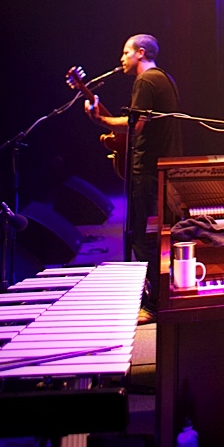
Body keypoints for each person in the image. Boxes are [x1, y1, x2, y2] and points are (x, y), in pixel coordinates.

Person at [86, 34, 181, 322]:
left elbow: (136, 125)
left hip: (147, 171)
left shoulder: (145, 81)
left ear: (140, 53)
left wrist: (100, 120)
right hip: (163, 168)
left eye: (125, 52)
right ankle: (158, 298)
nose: (122, 58)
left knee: (142, 239)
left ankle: (152, 305)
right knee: (157, 238)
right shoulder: (165, 79)